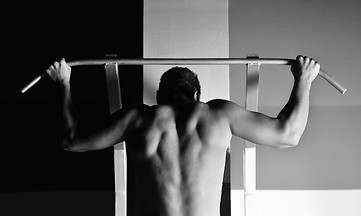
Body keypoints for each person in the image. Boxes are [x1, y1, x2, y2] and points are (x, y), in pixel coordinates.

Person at [47, 55, 320, 216]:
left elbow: (72, 140)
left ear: (158, 97)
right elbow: (289, 133)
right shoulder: (219, 115)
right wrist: (304, 79)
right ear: (198, 95)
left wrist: (63, 82)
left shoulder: (137, 118)